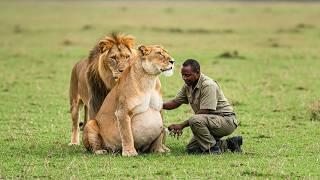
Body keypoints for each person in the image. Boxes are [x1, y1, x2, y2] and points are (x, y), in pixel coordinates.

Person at [162, 59, 242, 154]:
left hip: (225, 121)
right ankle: (230, 143)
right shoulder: (188, 85)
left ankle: (213, 150)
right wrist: (155, 104)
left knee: (194, 120)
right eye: (182, 75)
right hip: (209, 121)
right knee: (192, 149)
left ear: (197, 72)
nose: (184, 78)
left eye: (187, 75)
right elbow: (174, 102)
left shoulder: (208, 85)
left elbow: (205, 111)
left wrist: (181, 125)